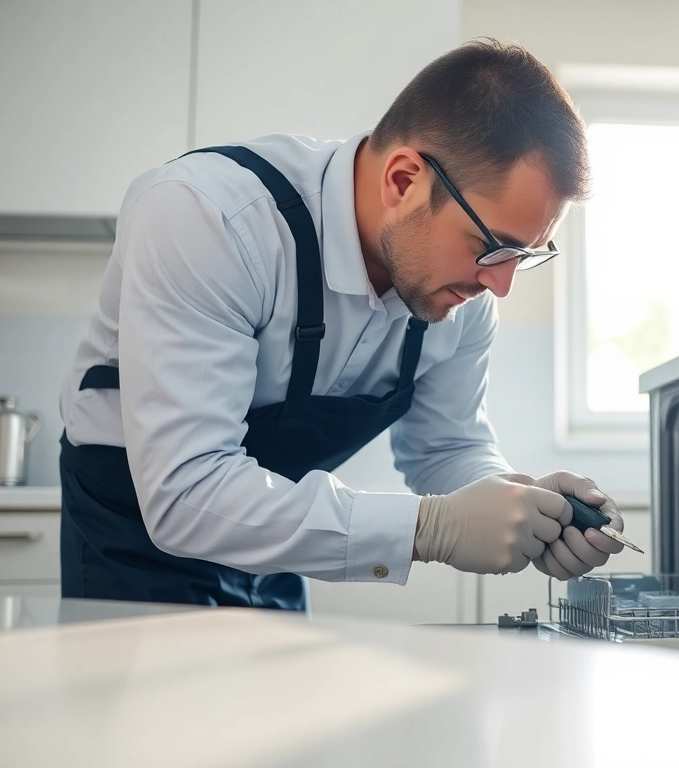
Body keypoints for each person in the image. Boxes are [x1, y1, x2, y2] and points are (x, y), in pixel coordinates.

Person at [55, 39, 625, 610]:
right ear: (403, 181)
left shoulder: (463, 293)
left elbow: (446, 447)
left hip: (273, 542)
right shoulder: (206, 217)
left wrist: (526, 505)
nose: (500, 285)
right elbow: (187, 493)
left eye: (522, 256)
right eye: (492, 246)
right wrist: (429, 528)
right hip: (131, 538)